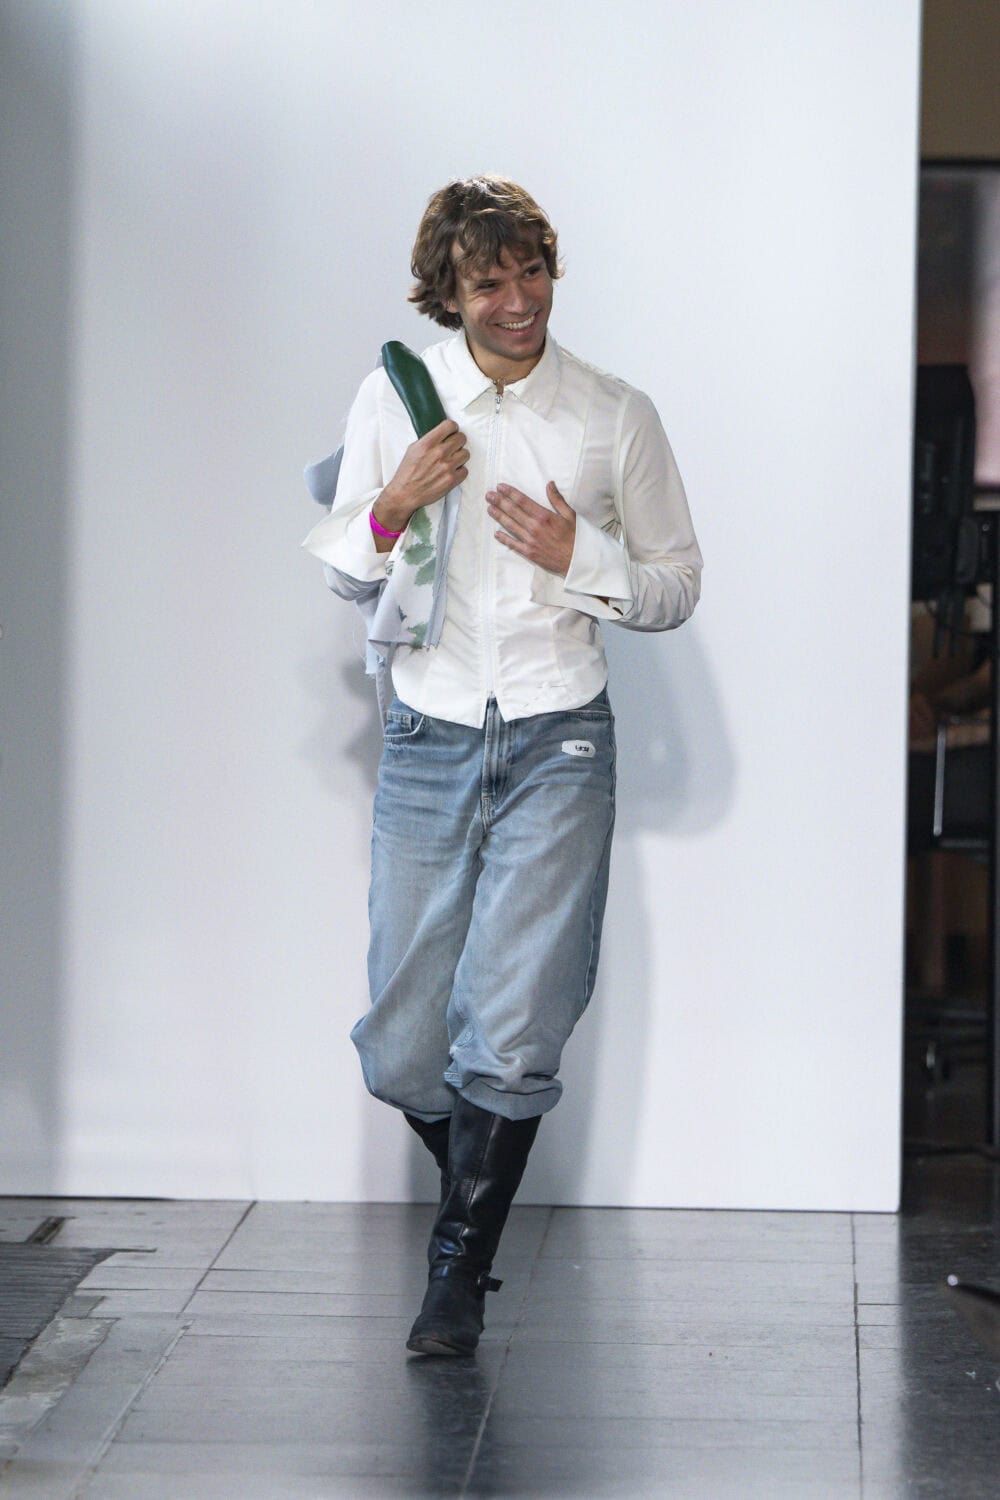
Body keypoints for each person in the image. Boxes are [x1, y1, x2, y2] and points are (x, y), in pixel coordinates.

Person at [302, 176, 702, 1356]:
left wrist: (586, 555)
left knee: (514, 1025)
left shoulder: (612, 413)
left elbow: (676, 584)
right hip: (426, 732)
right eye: (489, 281)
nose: (518, 300)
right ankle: (473, 1206)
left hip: (557, 734)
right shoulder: (397, 395)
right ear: (449, 291)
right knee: (402, 1049)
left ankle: (455, 1274)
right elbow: (346, 571)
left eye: (532, 272)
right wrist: (391, 505)